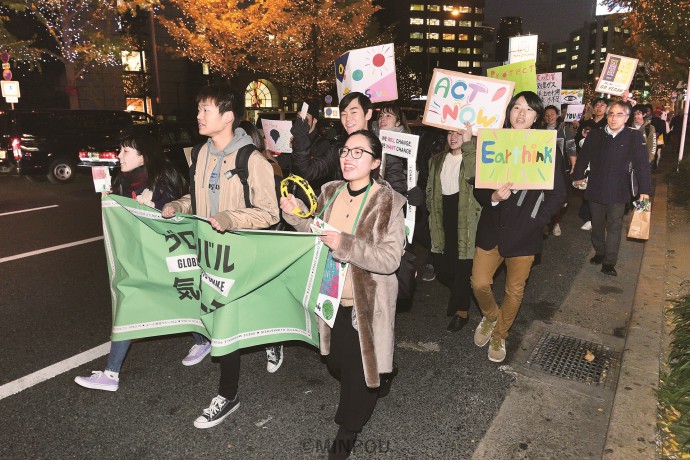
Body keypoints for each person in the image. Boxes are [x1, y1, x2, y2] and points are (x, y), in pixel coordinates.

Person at [280, 130, 406, 459]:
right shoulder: (330, 192)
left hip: (366, 304)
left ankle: (347, 431)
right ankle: (384, 370)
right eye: (345, 151)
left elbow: (391, 260)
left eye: (358, 153)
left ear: (376, 162)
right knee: (335, 362)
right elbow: (314, 230)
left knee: (356, 373)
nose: (348, 158)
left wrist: (344, 244)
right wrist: (294, 213)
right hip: (331, 298)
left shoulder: (388, 203)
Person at [161, 84, 280, 428]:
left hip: (241, 251)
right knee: (225, 315)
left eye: (205, 111)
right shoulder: (198, 153)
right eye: (199, 110)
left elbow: (270, 213)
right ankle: (270, 336)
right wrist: (176, 206)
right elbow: (197, 198)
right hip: (209, 252)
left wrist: (231, 219)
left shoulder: (251, 160)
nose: (198, 116)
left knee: (228, 318)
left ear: (227, 117)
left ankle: (227, 395)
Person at [74, 134, 193, 392]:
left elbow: (181, 217)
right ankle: (111, 373)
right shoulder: (121, 183)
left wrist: (155, 205)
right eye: (120, 150)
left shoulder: (163, 181)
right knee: (134, 300)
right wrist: (109, 201)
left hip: (164, 258)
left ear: (143, 156)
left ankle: (203, 338)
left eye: (125, 151)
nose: (119, 156)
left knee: (176, 299)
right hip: (138, 260)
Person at [471, 91, 567, 363]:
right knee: (479, 283)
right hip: (492, 229)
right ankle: (491, 317)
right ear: (508, 111)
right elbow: (479, 186)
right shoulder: (492, 142)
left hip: (525, 232)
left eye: (528, 109)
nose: (521, 113)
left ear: (537, 116)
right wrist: (492, 197)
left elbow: (559, 194)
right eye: (516, 107)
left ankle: (501, 333)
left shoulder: (545, 148)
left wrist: (537, 219)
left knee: (514, 290)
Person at [572, 101, 651, 277]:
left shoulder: (634, 137)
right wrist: (577, 176)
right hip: (595, 187)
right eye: (611, 114)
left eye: (619, 114)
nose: (614, 118)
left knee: (615, 226)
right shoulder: (596, 135)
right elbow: (584, 157)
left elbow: (642, 166)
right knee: (597, 224)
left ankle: (609, 262)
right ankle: (600, 252)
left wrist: (644, 191)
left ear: (627, 117)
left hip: (619, 190)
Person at [238, 119, 285, 373]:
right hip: (237, 240)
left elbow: (274, 211)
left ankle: (273, 341)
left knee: (266, 295)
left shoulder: (266, 166)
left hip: (263, 240)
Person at [426, 122, 481, 332]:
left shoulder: (473, 158)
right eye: (449, 132)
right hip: (442, 214)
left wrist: (469, 146)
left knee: (462, 265)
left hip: (465, 216)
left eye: (459, 133)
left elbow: (473, 177)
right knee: (443, 268)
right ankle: (463, 290)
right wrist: (431, 206)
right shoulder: (437, 160)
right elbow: (430, 187)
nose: (453, 137)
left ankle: (462, 311)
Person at [290, 92, 373, 194]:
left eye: (353, 112)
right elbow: (308, 171)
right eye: (343, 114)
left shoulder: (380, 148)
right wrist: (301, 139)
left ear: (368, 114)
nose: (347, 118)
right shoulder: (337, 149)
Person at [543, 105, 576, 237]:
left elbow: (571, 147)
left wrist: (573, 164)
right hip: (543, 169)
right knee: (543, 197)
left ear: (557, 115)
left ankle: (556, 222)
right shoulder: (540, 131)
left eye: (552, 114)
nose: (550, 117)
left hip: (560, 170)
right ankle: (544, 222)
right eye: (547, 115)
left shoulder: (564, 130)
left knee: (558, 197)